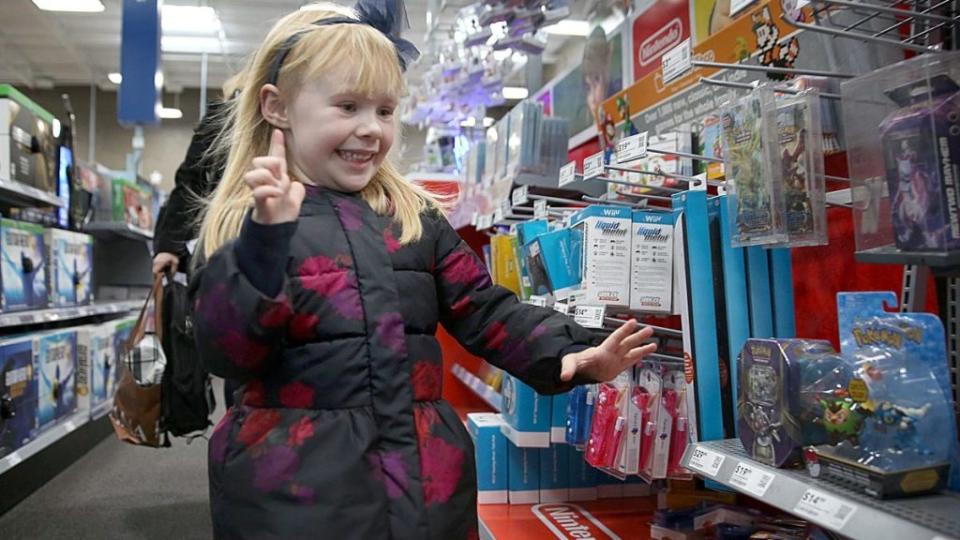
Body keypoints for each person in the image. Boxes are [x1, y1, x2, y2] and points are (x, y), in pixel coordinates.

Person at [189, 2, 659, 538]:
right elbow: (229, 352)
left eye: (385, 111)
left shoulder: (412, 218)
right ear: (276, 107)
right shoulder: (245, 225)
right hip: (299, 495)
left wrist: (569, 350)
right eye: (347, 106)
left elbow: (484, 309)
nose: (370, 129)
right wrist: (264, 244)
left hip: (425, 481)